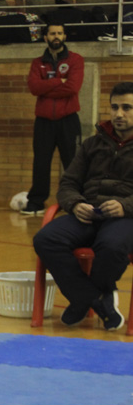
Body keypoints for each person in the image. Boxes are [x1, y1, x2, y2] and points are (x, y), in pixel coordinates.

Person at [32, 81, 133, 331]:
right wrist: (75, 204)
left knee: (111, 246)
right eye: (115, 107)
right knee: (46, 239)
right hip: (87, 214)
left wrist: (125, 206)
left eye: (127, 108)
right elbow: (68, 184)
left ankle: (83, 299)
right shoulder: (92, 144)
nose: (119, 114)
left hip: (124, 218)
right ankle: (96, 299)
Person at [21, 23, 84, 216]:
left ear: (65, 36)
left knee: (73, 163)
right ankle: (36, 202)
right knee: (41, 162)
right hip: (44, 122)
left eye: (59, 33)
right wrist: (58, 81)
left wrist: (46, 86)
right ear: (45, 37)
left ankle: (78, 201)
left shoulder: (76, 60)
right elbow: (34, 88)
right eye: (52, 33)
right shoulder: (37, 62)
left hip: (68, 120)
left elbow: (73, 87)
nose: (56, 36)